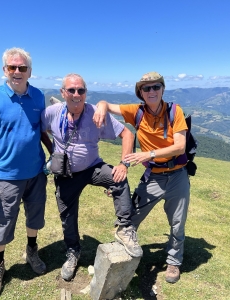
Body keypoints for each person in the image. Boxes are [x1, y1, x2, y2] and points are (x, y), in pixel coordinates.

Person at [41, 73, 143, 281]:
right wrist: (52, 150)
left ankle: (124, 228)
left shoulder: (96, 113)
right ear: (63, 93)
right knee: (67, 215)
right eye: (71, 90)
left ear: (86, 93)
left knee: (118, 178)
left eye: (81, 90)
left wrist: (124, 163)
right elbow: (40, 130)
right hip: (67, 174)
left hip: (93, 166)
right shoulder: (51, 112)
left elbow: (127, 134)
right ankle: (73, 251)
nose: (76, 94)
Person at [93, 71, 190, 284]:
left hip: (178, 176)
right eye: (146, 88)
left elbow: (180, 146)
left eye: (156, 87)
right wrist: (101, 104)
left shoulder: (175, 111)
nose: (151, 91)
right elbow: (108, 105)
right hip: (154, 176)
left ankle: (174, 261)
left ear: (163, 89)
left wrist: (149, 154)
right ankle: (122, 248)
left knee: (177, 223)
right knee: (130, 216)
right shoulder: (135, 112)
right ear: (141, 93)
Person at [0, 47, 52, 298]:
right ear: (5, 70)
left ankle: (31, 250)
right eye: (12, 67)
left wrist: (55, 154)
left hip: (37, 172)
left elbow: (41, 132)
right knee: (4, 220)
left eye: (22, 68)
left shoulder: (39, 96)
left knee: (35, 216)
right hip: (6, 174)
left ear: (30, 71)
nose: (17, 72)